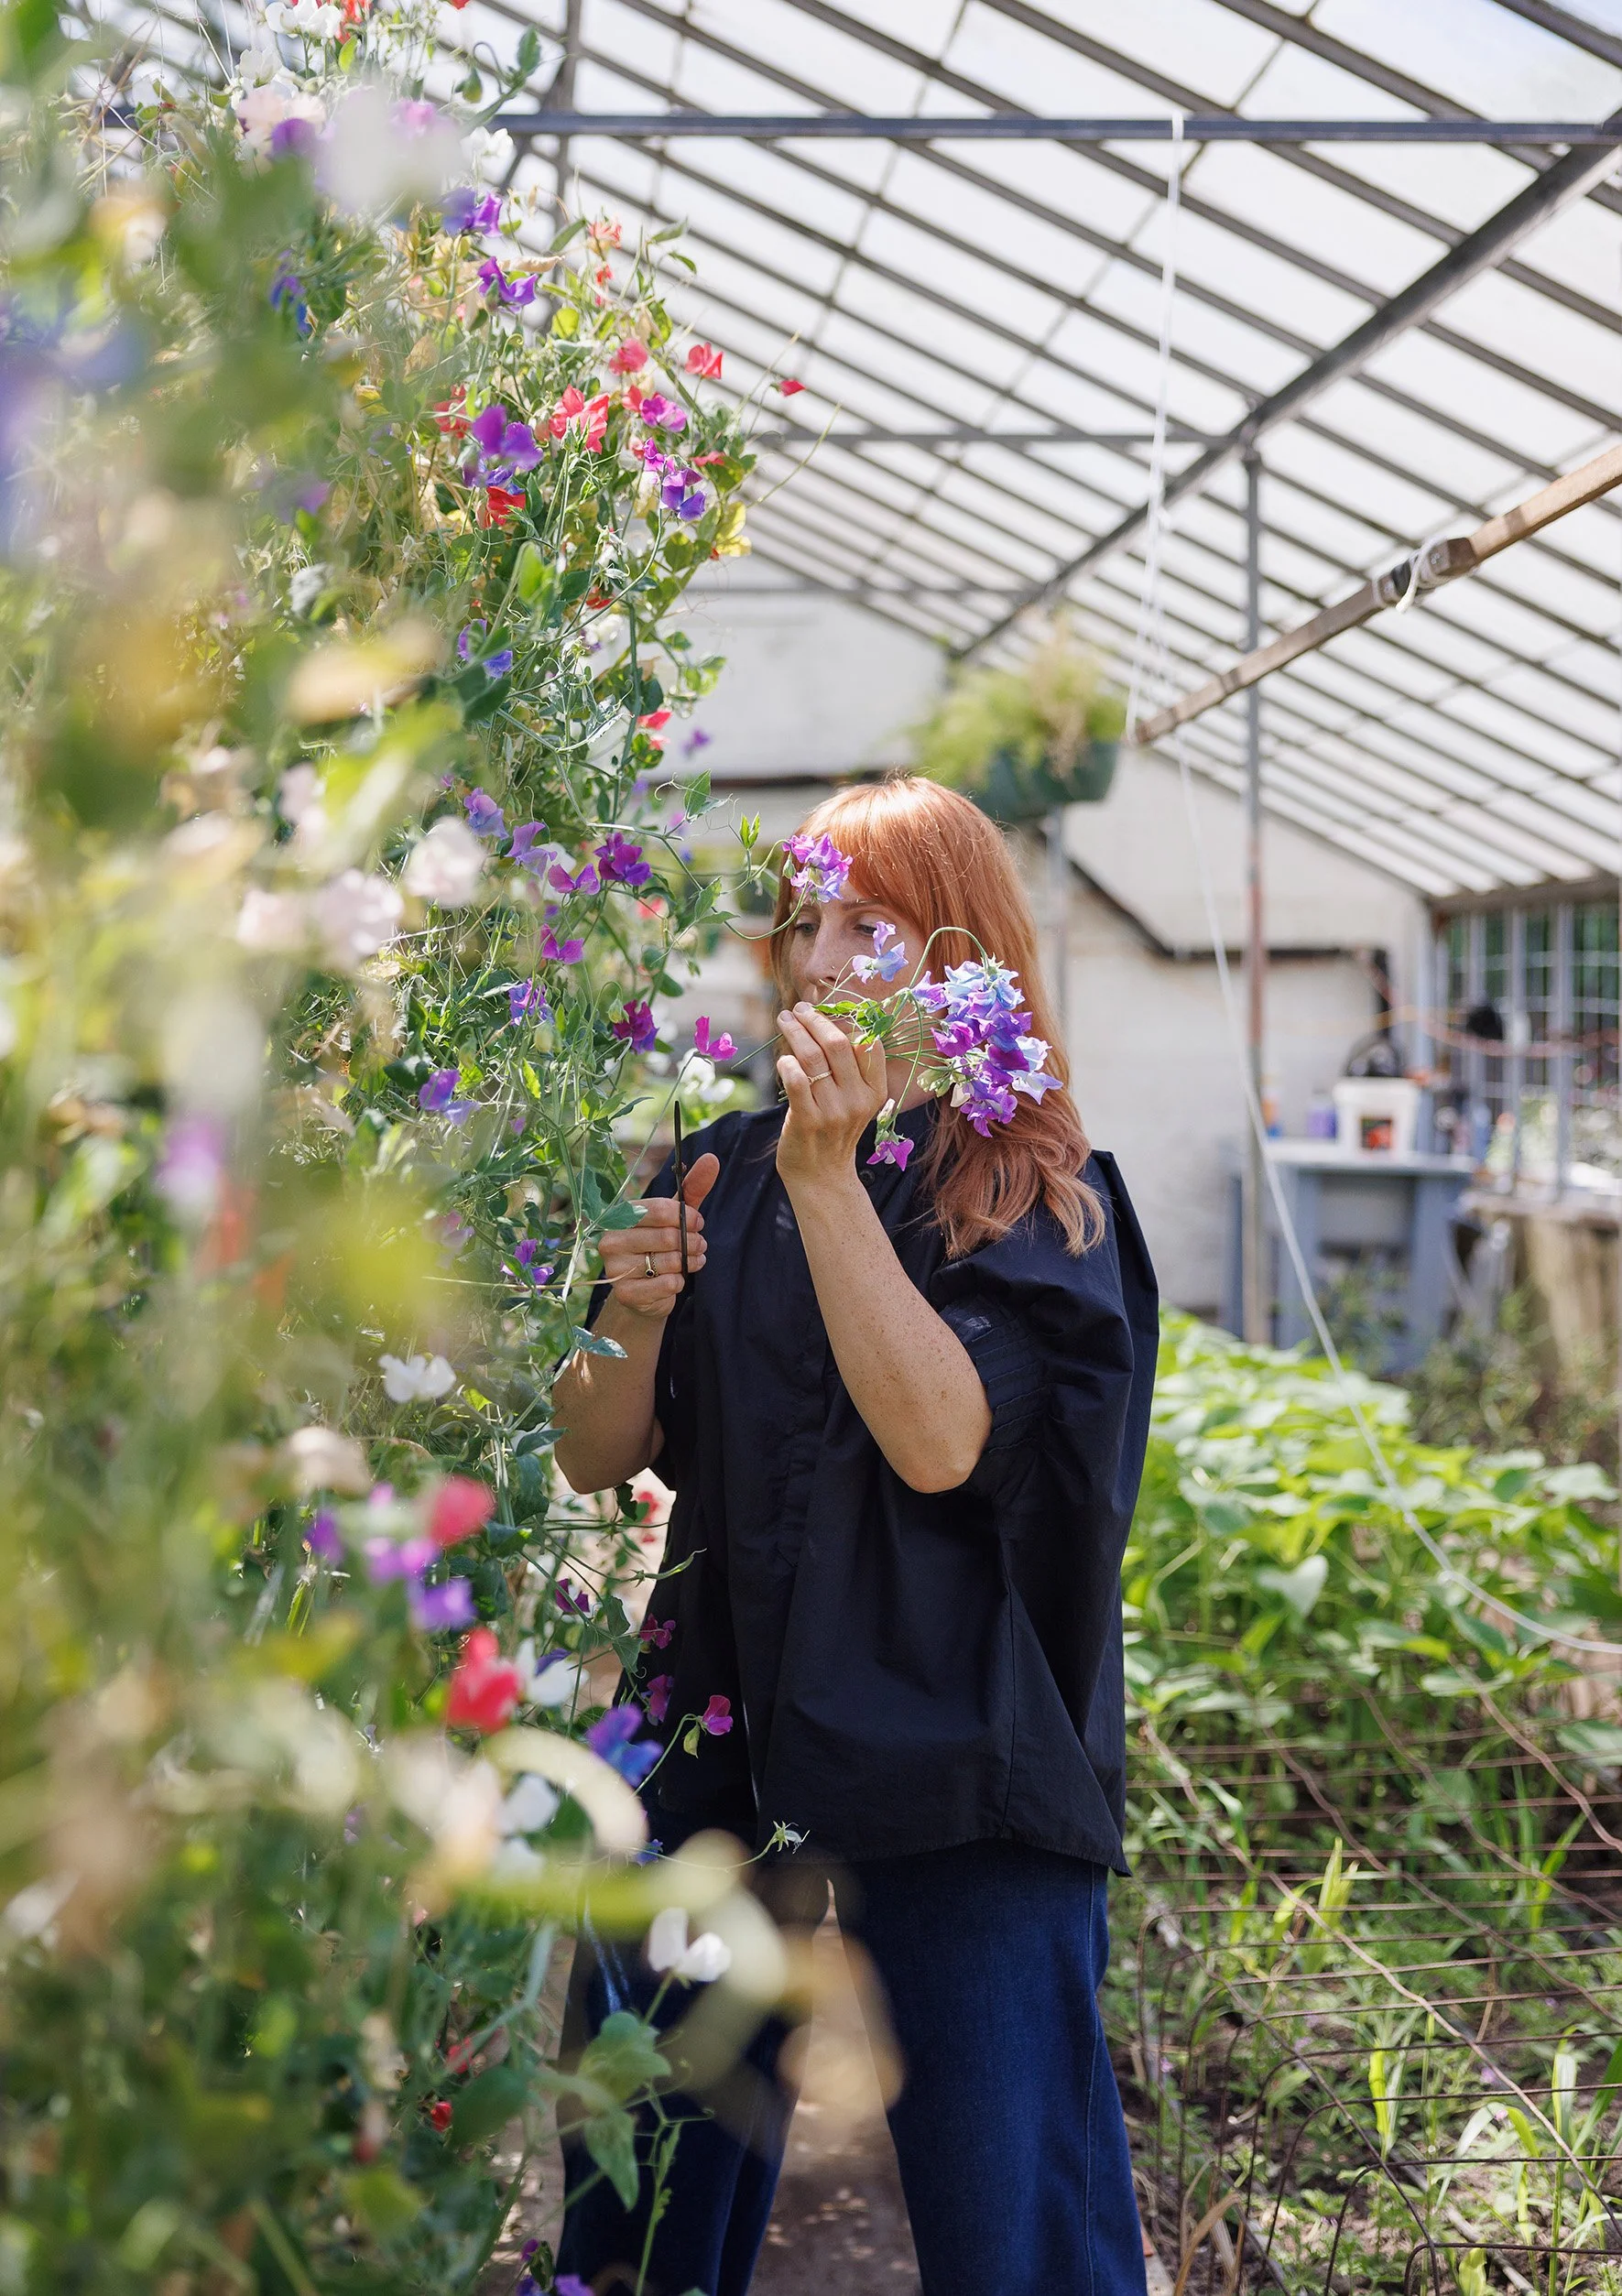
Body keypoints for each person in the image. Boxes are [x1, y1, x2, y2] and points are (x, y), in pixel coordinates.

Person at [552, 777, 1158, 2296]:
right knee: (635, 2188)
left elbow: (941, 1441)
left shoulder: (1039, 1200)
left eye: (868, 926)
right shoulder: (718, 1168)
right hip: (720, 1740)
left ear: (968, 960)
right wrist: (632, 1312)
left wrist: (831, 1185)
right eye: (803, 921)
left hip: (963, 1767)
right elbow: (591, 1457)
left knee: (1011, 2225)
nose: (818, 960)